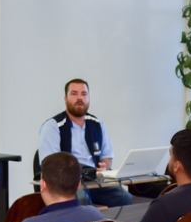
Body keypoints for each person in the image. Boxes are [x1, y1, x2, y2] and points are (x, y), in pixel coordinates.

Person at [38, 78, 133, 207]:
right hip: (68, 184)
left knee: (126, 199)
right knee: (82, 202)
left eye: (84, 94)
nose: (79, 98)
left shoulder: (97, 124)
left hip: (95, 181)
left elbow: (107, 157)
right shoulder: (53, 126)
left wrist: (104, 165)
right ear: (65, 98)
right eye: (74, 94)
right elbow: (49, 164)